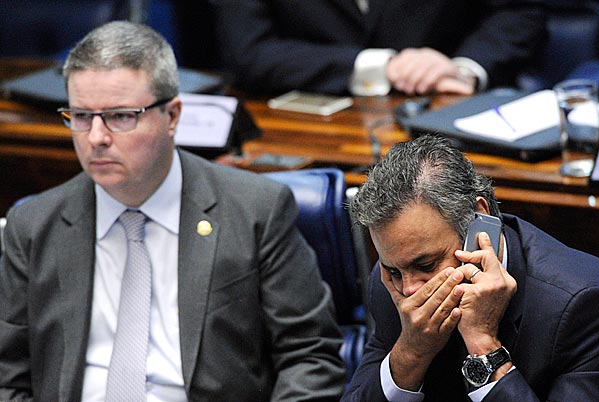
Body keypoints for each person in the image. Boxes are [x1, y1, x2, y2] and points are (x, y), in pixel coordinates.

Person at [0, 21, 345, 401]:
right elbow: (8, 377)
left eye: (120, 116)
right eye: (81, 117)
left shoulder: (255, 212)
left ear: (173, 116)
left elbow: (309, 356)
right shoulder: (32, 226)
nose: (96, 137)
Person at [343, 135, 599, 401]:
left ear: (479, 222)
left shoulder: (587, 305)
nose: (410, 290)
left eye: (426, 264)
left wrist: (484, 347)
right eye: (394, 270)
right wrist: (411, 351)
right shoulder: (392, 284)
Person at [207, 0, 545, 96]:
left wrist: (465, 68)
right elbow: (248, 51)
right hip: (307, 120)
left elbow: (518, 12)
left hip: (439, 109)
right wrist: (382, 67)